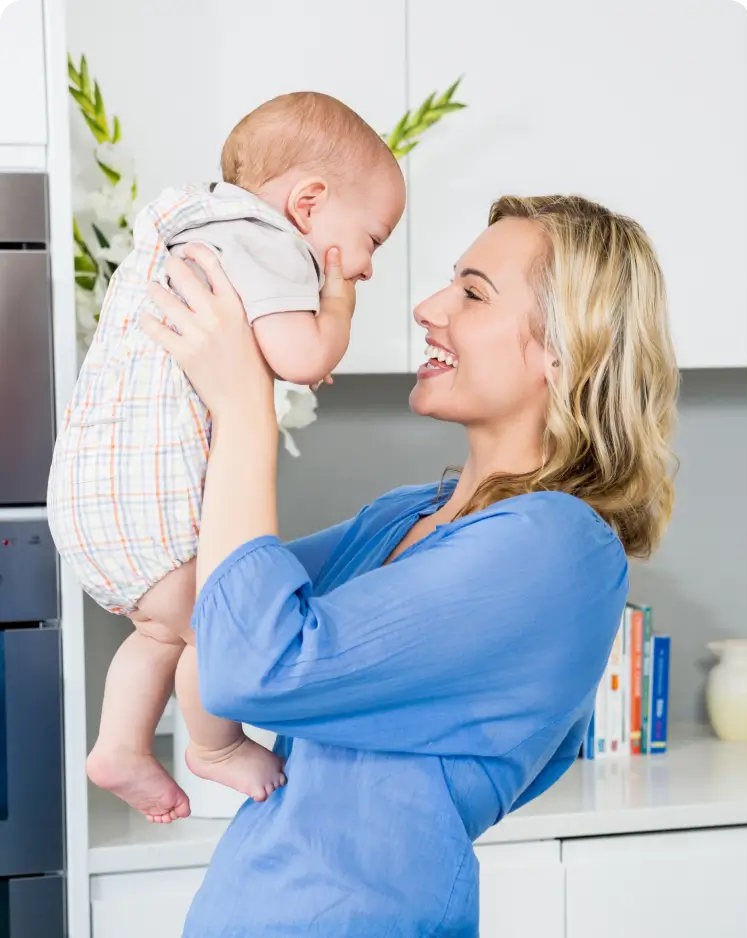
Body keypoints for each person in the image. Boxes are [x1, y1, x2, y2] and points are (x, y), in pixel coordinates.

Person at [143, 193, 678, 936]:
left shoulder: (557, 547)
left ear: (565, 349)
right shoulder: (405, 513)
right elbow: (199, 605)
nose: (428, 308)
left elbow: (249, 665)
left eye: (472, 293)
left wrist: (245, 410)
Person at [46, 91, 406, 822]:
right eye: (372, 238)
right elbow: (303, 357)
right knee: (218, 627)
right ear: (307, 202)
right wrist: (336, 306)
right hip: (148, 508)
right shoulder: (265, 240)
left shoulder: (195, 230)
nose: (367, 265)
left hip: (91, 499)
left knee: (160, 629)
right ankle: (215, 747)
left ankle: (119, 746)